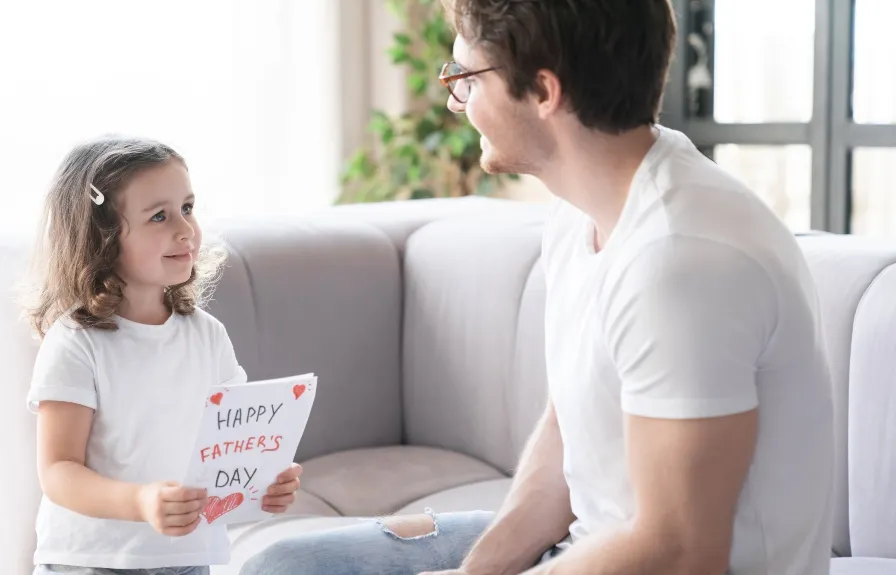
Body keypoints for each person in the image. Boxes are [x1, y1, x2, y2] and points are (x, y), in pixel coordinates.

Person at [241, 0, 834, 574]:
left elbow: (680, 552)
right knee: (283, 565)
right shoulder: (580, 212)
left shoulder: (680, 263)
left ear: (546, 92)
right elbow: (567, 437)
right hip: (590, 549)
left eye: (467, 79)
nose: (456, 104)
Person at [22, 135, 303, 574]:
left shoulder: (208, 336)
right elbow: (58, 470)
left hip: (187, 559)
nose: (184, 229)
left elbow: (230, 447)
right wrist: (139, 501)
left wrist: (261, 482)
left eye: (187, 208)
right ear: (103, 239)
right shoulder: (76, 342)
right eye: (159, 216)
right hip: (91, 562)